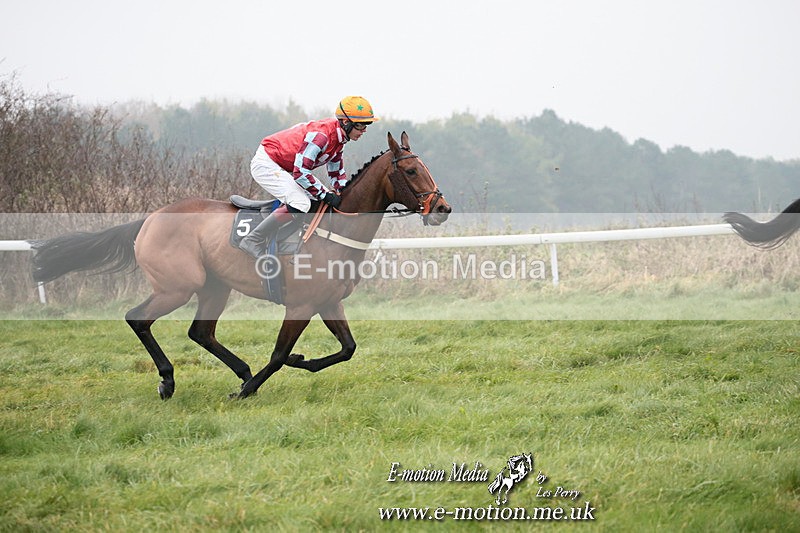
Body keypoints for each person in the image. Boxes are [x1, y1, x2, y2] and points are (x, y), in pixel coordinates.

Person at [238, 96, 379, 258]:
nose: (364, 131)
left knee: (322, 201)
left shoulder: (339, 140)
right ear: (346, 123)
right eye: (361, 126)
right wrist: (326, 195)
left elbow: (337, 174)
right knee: (301, 202)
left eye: (367, 126)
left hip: (285, 166)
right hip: (267, 163)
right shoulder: (322, 136)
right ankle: (253, 239)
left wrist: (346, 195)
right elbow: (300, 172)